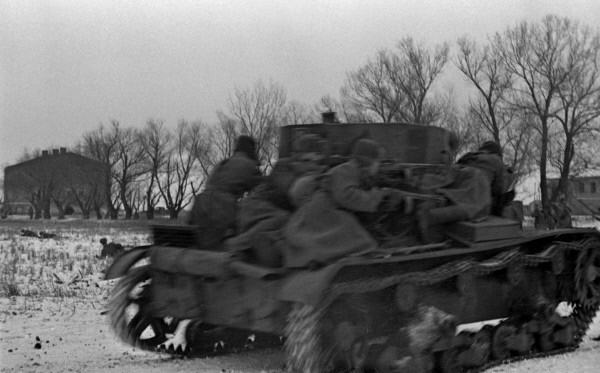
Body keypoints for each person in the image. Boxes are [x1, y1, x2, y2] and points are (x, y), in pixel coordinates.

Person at [282, 138, 400, 268]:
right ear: (368, 161)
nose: (379, 166)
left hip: (323, 209)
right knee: (353, 237)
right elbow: (349, 197)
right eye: (378, 161)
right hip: (323, 210)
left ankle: (319, 259)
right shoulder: (346, 170)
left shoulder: (352, 171)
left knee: (331, 240)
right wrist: (378, 194)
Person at [225, 134, 330, 268]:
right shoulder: (284, 165)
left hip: (267, 211)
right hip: (256, 207)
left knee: (292, 224)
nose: (318, 161)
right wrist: (314, 173)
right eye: (315, 156)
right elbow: (290, 189)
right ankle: (237, 244)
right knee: (285, 218)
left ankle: (270, 247)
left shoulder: (300, 168)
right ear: (306, 154)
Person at [416, 140, 505, 242]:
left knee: (448, 197)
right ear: (495, 152)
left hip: (456, 171)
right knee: (477, 208)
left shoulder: (470, 155)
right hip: (476, 176)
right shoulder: (497, 159)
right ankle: (430, 217)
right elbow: (498, 189)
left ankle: (423, 208)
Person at [187, 135, 261, 250]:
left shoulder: (223, 163)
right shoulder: (250, 165)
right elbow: (261, 191)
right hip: (223, 204)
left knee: (201, 243)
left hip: (201, 202)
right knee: (222, 244)